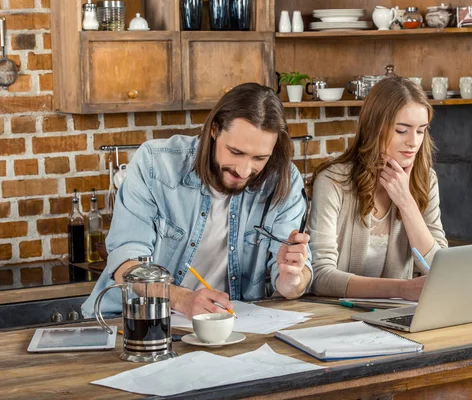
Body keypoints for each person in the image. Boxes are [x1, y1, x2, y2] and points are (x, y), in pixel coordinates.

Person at [82, 83, 312, 318]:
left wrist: (291, 278)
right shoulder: (155, 164)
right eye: (235, 152)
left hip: (230, 327)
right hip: (136, 320)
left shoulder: (284, 179)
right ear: (214, 130)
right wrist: (182, 299)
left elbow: (295, 283)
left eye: (259, 158)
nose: (244, 170)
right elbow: (125, 264)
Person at [308, 77, 447, 301]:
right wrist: (400, 289)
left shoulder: (426, 179)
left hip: (397, 314)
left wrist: (406, 202)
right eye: (402, 130)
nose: (413, 141)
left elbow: (440, 269)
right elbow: (320, 275)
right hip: (335, 316)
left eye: (421, 131)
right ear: (374, 128)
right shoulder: (333, 182)